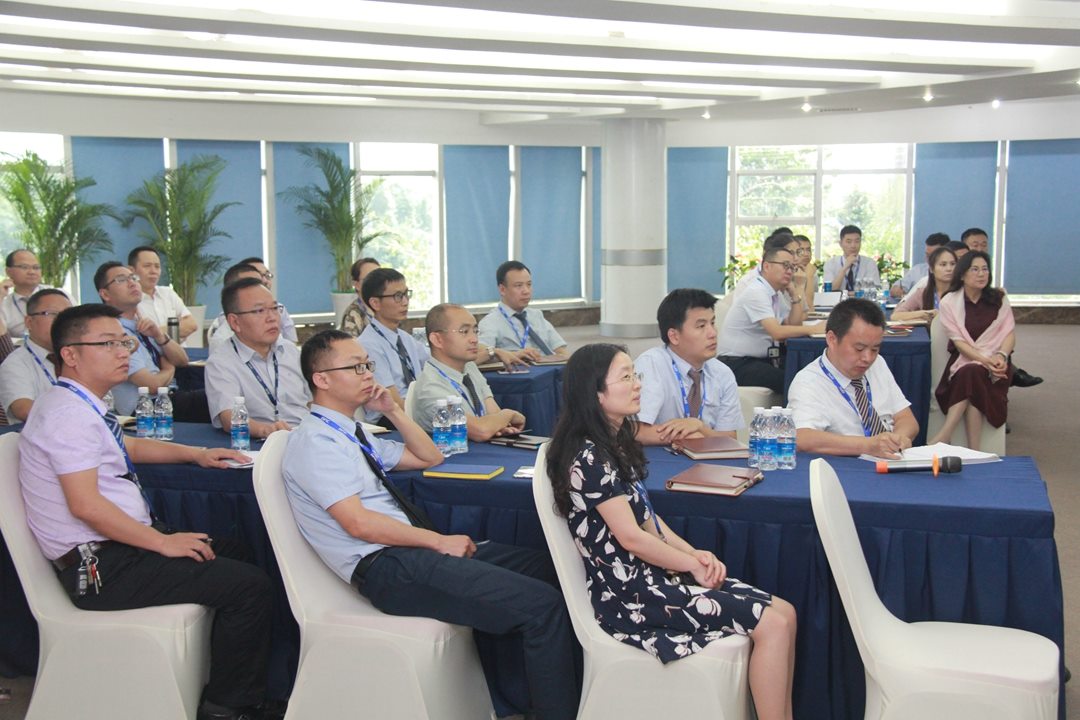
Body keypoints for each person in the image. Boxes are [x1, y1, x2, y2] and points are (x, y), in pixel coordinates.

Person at [282, 330, 580, 720]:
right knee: (542, 607)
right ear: (321, 379)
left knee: (556, 571)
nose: (368, 374)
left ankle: (542, 699)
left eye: (368, 365)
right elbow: (358, 524)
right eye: (355, 367)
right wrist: (437, 542)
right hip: (388, 566)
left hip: (409, 554)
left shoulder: (349, 432)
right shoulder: (316, 442)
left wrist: (394, 411)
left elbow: (430, 456)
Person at [17, 303, 274, 720]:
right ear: (70, 354)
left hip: (116, 551)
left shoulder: (79, 403)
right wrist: (161, 543)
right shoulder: (66, 415)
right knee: (250, 586)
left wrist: (195, 454)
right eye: (108, 344)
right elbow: (86, 505)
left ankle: (223, 685)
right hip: (101, 568)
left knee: (238, 553)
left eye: (125, 342)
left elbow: (125, 446)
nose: (124, 352)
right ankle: (227, 707)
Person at [545, 344, 796, 720]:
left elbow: (650, 521)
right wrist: (689, 565)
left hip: (656, 577)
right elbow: (631, 538)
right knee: (773, 624)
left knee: (786, 613)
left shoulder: (614, 443)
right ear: (595, 393)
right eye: (625, 377)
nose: (637, 384)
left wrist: (693, 554)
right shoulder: (589, 457)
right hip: (632, 596)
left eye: (636, 374)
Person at [787, 299, 919, 457]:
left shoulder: (878, 363)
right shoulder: (808, 382)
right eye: (859, 349)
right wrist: (869, 446)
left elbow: (906, 418)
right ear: (832, 339)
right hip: (847, 465)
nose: (868, 358)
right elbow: (802, 437)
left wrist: (897, 440)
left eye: (875, 349)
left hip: (890, 460)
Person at [95, 261, 208, 420]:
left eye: (133, 278)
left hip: (169, 397)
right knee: (216, 399)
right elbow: (152, 385)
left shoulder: (143, 324)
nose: (132, 283)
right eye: (121, 280)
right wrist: (168, 368)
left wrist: (159, 336)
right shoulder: (114, 334)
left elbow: (182, 360)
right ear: (105, 294)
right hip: (145, 409)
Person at [929, 251, 1016, 450]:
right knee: (972, 372)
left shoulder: (999, 298)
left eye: (985, 269)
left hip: (998, 368)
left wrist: (1001, 356)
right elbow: (960, 343)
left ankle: (944, 435)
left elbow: (1009, 334)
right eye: (975, 269)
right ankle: (974, 450)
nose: (981, 274)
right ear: (962, 274)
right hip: (964, 362)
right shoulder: (950, 302)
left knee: (972, 375)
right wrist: (985, 361)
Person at [633, 288, 742, 445]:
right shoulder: (651, 364)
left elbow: (730, 439)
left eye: (712, 323)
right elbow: (636, 430)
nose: (713, 333)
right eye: (701, 326)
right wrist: (690, 437)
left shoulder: (722, 373)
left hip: (709, 456)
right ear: (674, 336)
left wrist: (699, 427)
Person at [205, 277, 309, 438]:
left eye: (274, 308)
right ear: (235, 322)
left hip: (306, 436)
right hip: (263, 443)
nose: (272, 317)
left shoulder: (290, 351)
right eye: (259, 311)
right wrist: (265, 431)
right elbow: (228, 417)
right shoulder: (221, 362)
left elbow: (315, 400)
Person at [717, 245, 826, 394]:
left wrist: (795, 294)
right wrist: (813, 329)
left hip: (760, 360)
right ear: (767, 266)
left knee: (806, 374)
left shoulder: (775, 293)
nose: (790, 271)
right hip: (737, 363)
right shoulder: (756, 291)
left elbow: (793, 324)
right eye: (785, 265)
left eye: (792, 267)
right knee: (795, 382)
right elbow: (777, 332)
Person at [411, 303, 526, 439]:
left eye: (475, 331)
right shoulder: (430, 389)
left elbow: (493, 412)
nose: (474, 339)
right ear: (437, 339)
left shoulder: (468, 366)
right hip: (453, 452)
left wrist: (499, 424)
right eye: (464, 332)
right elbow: (480, 431)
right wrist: (508, 415)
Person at [958, 230, 1041, 388]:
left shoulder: (987, 277)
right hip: (963, 340)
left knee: (999, 332)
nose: (980, 249)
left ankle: (1007, 370)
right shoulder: (955, 277)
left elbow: (1008, 329)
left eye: (984, 245)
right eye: (975, 245)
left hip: (990, 339)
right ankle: (1012, 373)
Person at [359, 267, 429, 423]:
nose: (405, 302)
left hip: (414, 412)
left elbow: (435, 361)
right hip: (390, 419)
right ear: (375, 303)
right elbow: (392, 402)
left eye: (406, 294)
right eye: (398, 296)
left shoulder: (405, 338)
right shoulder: (368, 345)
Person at [0, 288, 70, 423]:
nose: (62, 322)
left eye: (67, 315)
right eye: (52, 314)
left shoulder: (77, 356)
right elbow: (23, 409)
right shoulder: (15, 363)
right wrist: (77, 416)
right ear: (29, 322)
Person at [478, 261, 568, 364]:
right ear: (502, 289)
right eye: (518, 286)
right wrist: (515, 354)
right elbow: (482, 352)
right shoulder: (491, 322)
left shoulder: (536, 315)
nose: (526, 291)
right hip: (522, 371)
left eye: (529, 284)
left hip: (550, 368)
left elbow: (560, 349)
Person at [130, 245, 198, 343]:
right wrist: (174, 329)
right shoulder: (129, 301)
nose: (153, 271)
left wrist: (155, 331)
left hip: (180, 351)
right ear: (132, 271)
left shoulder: (167, 293)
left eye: (157, 266)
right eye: (147, 266)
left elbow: (191, 325)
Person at [890, 246, 957, 322]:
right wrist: (925, 314)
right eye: (943, 264)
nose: (949, 269)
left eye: (953, 264)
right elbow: (895, 316)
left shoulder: (962, 292)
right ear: (931, 269)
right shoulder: (923, 293)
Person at [1, 249, 50, 341]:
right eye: (24, 267)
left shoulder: (58, 295)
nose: (32, 272)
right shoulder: (3, 305)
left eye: (36, 267)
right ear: (8, 271)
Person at [823, 225, 880, 293]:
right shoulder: (830, 263)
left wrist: (848, 294)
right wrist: (845, 268)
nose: (853, 245)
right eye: (849, 242)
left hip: (862, 300)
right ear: (840, 244)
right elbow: (829, 290)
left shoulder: (869, 263)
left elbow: (873, 290)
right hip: (837, 300)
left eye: (857, 241)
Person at [891, 232, 949, 298]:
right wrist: (899, 291)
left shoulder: (950, 273)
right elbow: (896, 288)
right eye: (927, 255)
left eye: (933, 255)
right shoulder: (918, 270)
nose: (929, 259)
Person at [340, 256, 380, 337]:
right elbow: (350, 343)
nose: (377, 283)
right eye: (370, 279)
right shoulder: (353, 314)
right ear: (357, 285)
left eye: (380, 278)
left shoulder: (387, 308)